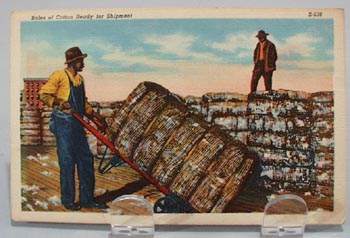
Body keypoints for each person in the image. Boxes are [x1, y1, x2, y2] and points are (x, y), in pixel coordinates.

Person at [39, 47, 108, 211]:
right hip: (63, 124)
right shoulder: (59, 76)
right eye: (80, 61)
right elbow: (43, 95)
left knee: (86, 160)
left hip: (77, 124)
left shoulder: (80, 79)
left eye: (82, 60)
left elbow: (82, 103)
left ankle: (87, 200)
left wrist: (95, 116)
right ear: (72, 62)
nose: (83, 63)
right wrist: (59, 103)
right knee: (67, 161)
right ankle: (68, 200)